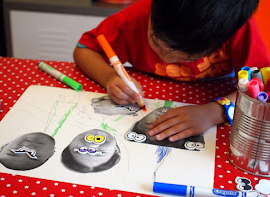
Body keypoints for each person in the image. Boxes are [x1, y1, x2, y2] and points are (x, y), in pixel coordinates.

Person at [73, 0, 270, 142]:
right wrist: (109, 77)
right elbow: (84, 50)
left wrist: (216, 111)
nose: (165, 58)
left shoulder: (238, 29)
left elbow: (263, 88)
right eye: (156, 43)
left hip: (219, 95)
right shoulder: (137, 15)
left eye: (185, 57)